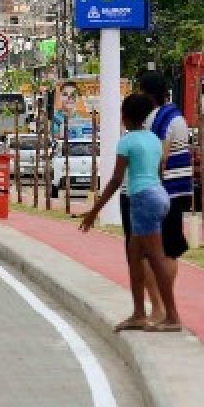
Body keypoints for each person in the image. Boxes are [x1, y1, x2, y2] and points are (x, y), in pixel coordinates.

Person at [81, 93, 181, 332]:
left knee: (156, 260)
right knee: (135, 258)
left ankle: (173, 317)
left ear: (124, 117)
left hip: (143, 199)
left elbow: (117, 180)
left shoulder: (126, 142)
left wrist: (94, 211)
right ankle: (138, 313)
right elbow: (158, 171)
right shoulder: (154, 139)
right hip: (158, 195)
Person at [115, 71, 193, 329]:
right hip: (172, 192)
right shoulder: (175, 116)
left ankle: (160, 309)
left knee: (150, 255)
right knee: (164, 252)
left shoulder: (158, 120)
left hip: (153, 192)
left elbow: (159, 158)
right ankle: (155, 310)